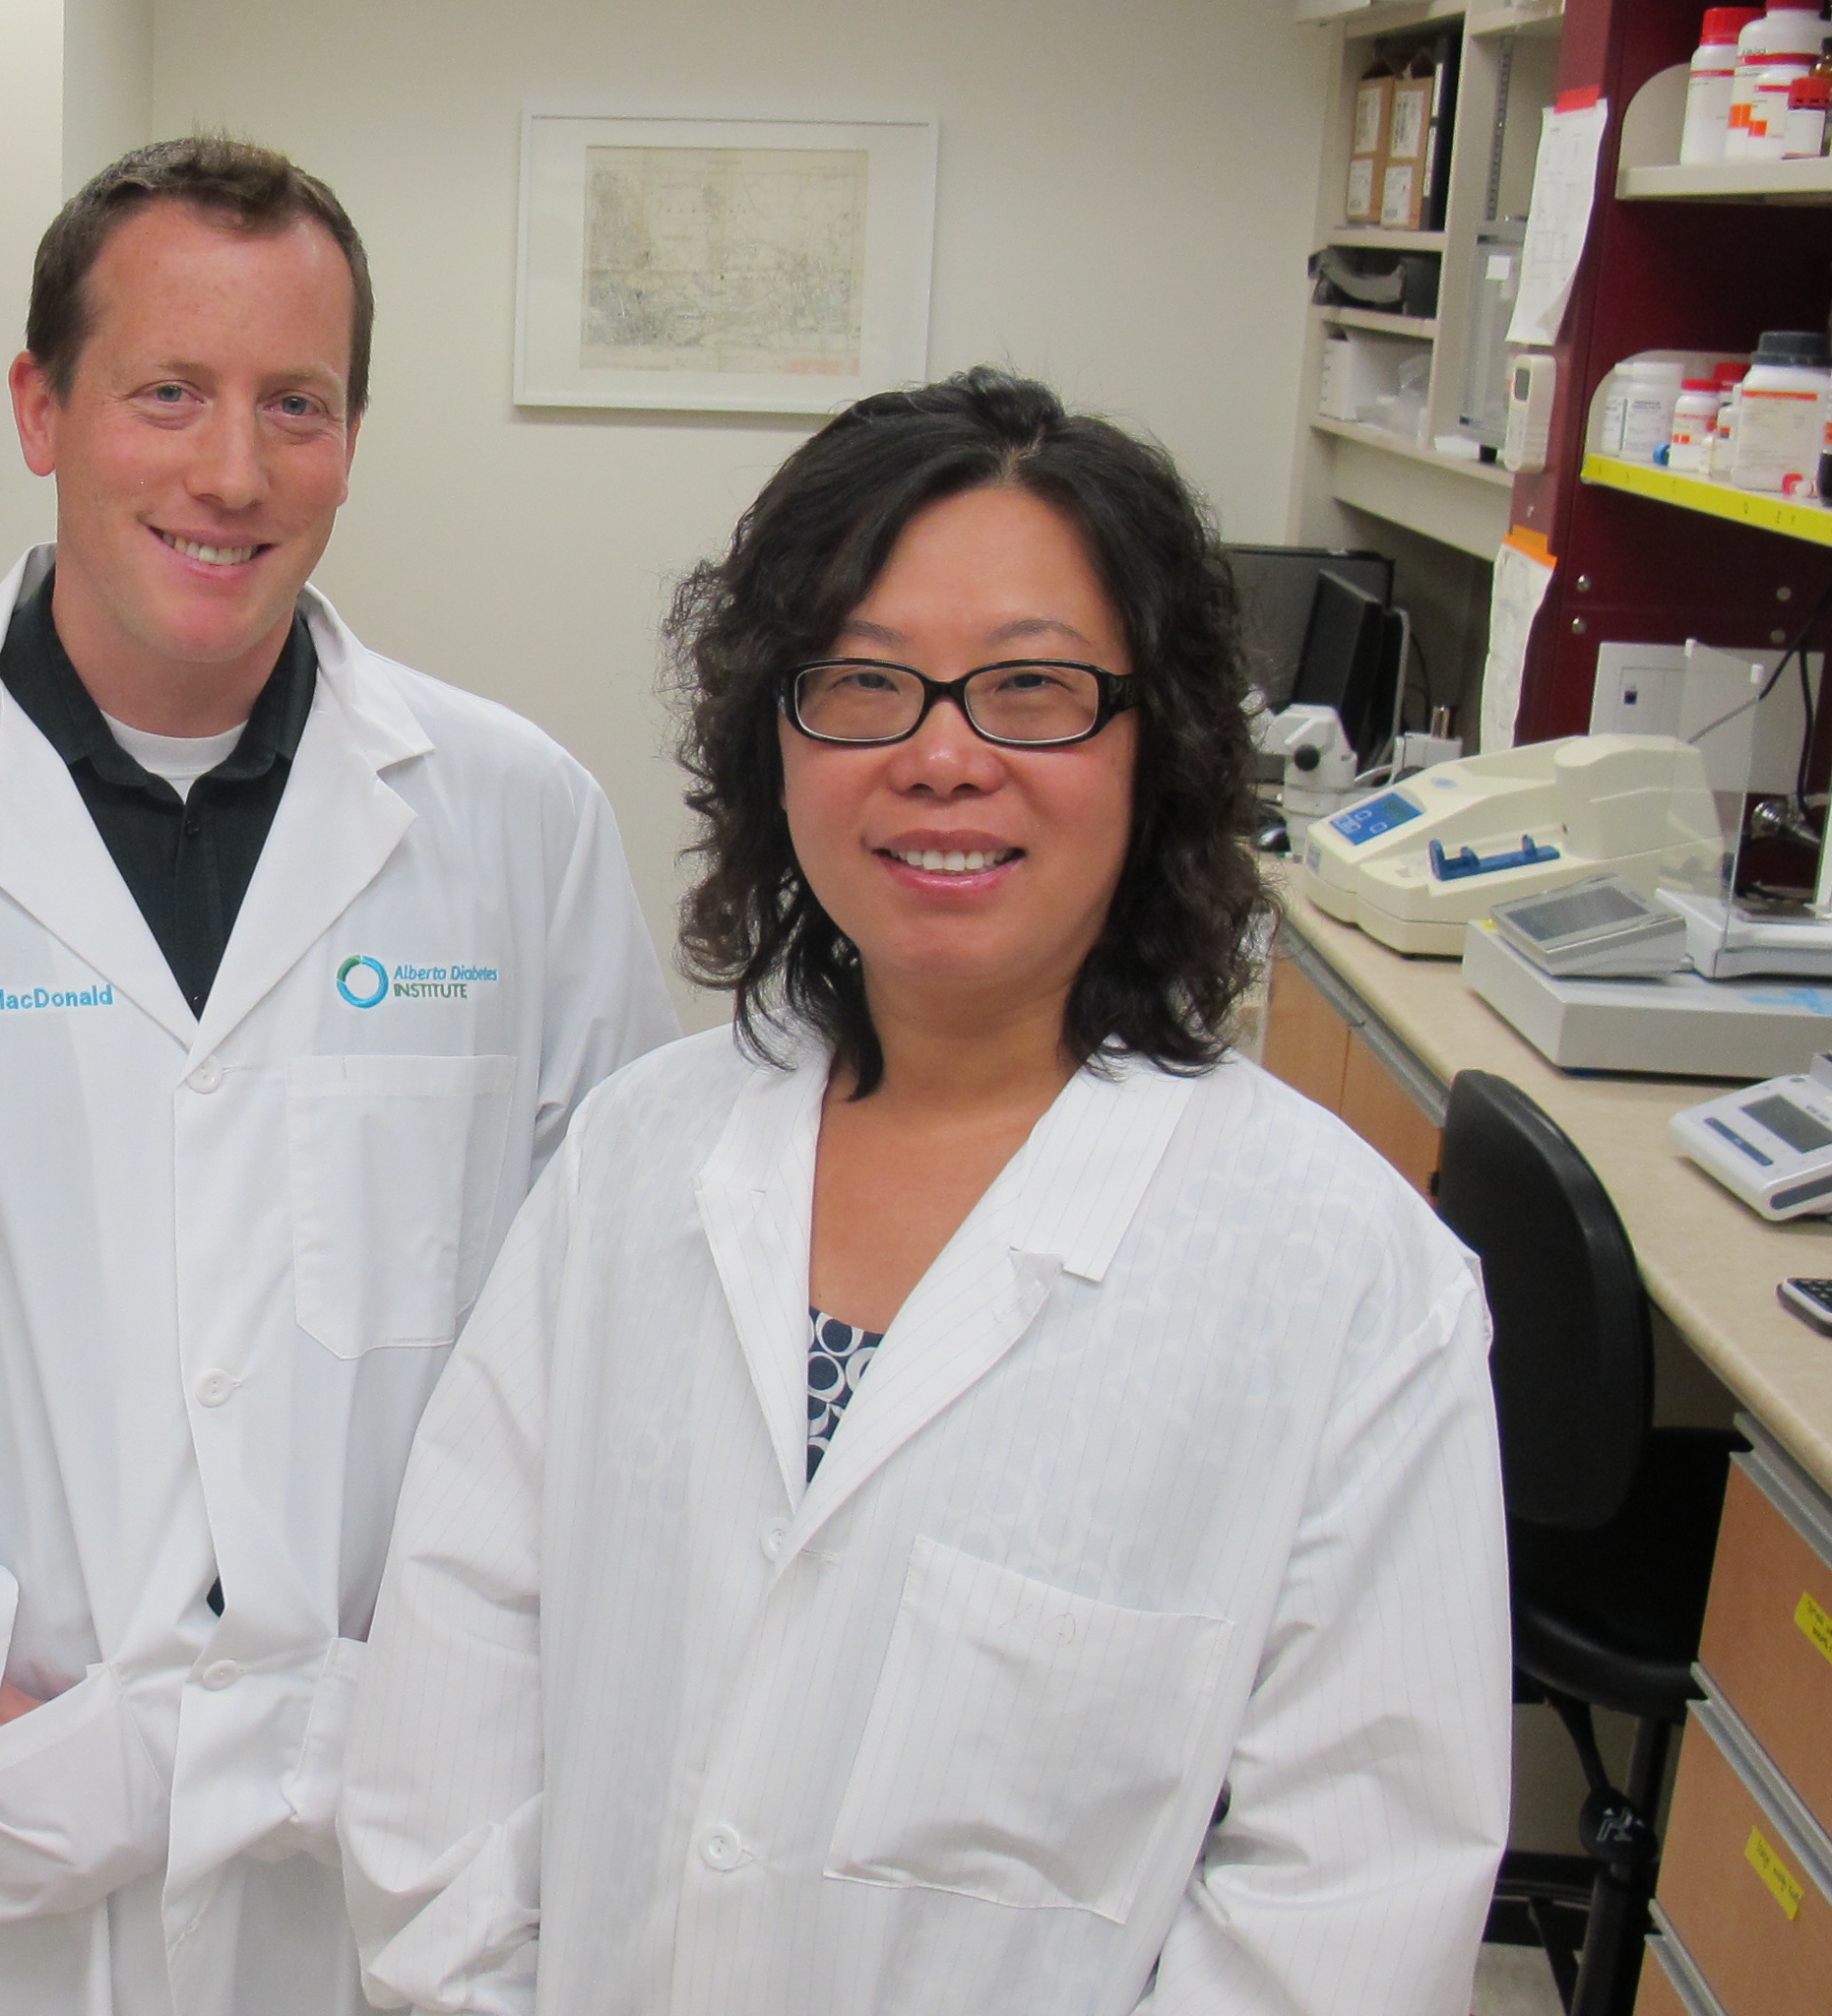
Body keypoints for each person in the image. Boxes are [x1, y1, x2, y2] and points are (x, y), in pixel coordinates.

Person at [0, 136, 674, 2014]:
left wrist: (438, 1683)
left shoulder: (516, 826)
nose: (232, 472)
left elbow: (609, 1332)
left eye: (300, 406)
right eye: (165, 393)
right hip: (4, 1834)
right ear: (40, 406)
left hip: (392, 1823)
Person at [341, 368, 1508, 2014]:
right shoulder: (636, 1162)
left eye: (1033, 688)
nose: (944, 758)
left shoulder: (1342, 1280)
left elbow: (1350, 1909)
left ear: (1155, 743)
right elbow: (457, 1666)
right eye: (867, 685)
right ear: (778, 739)